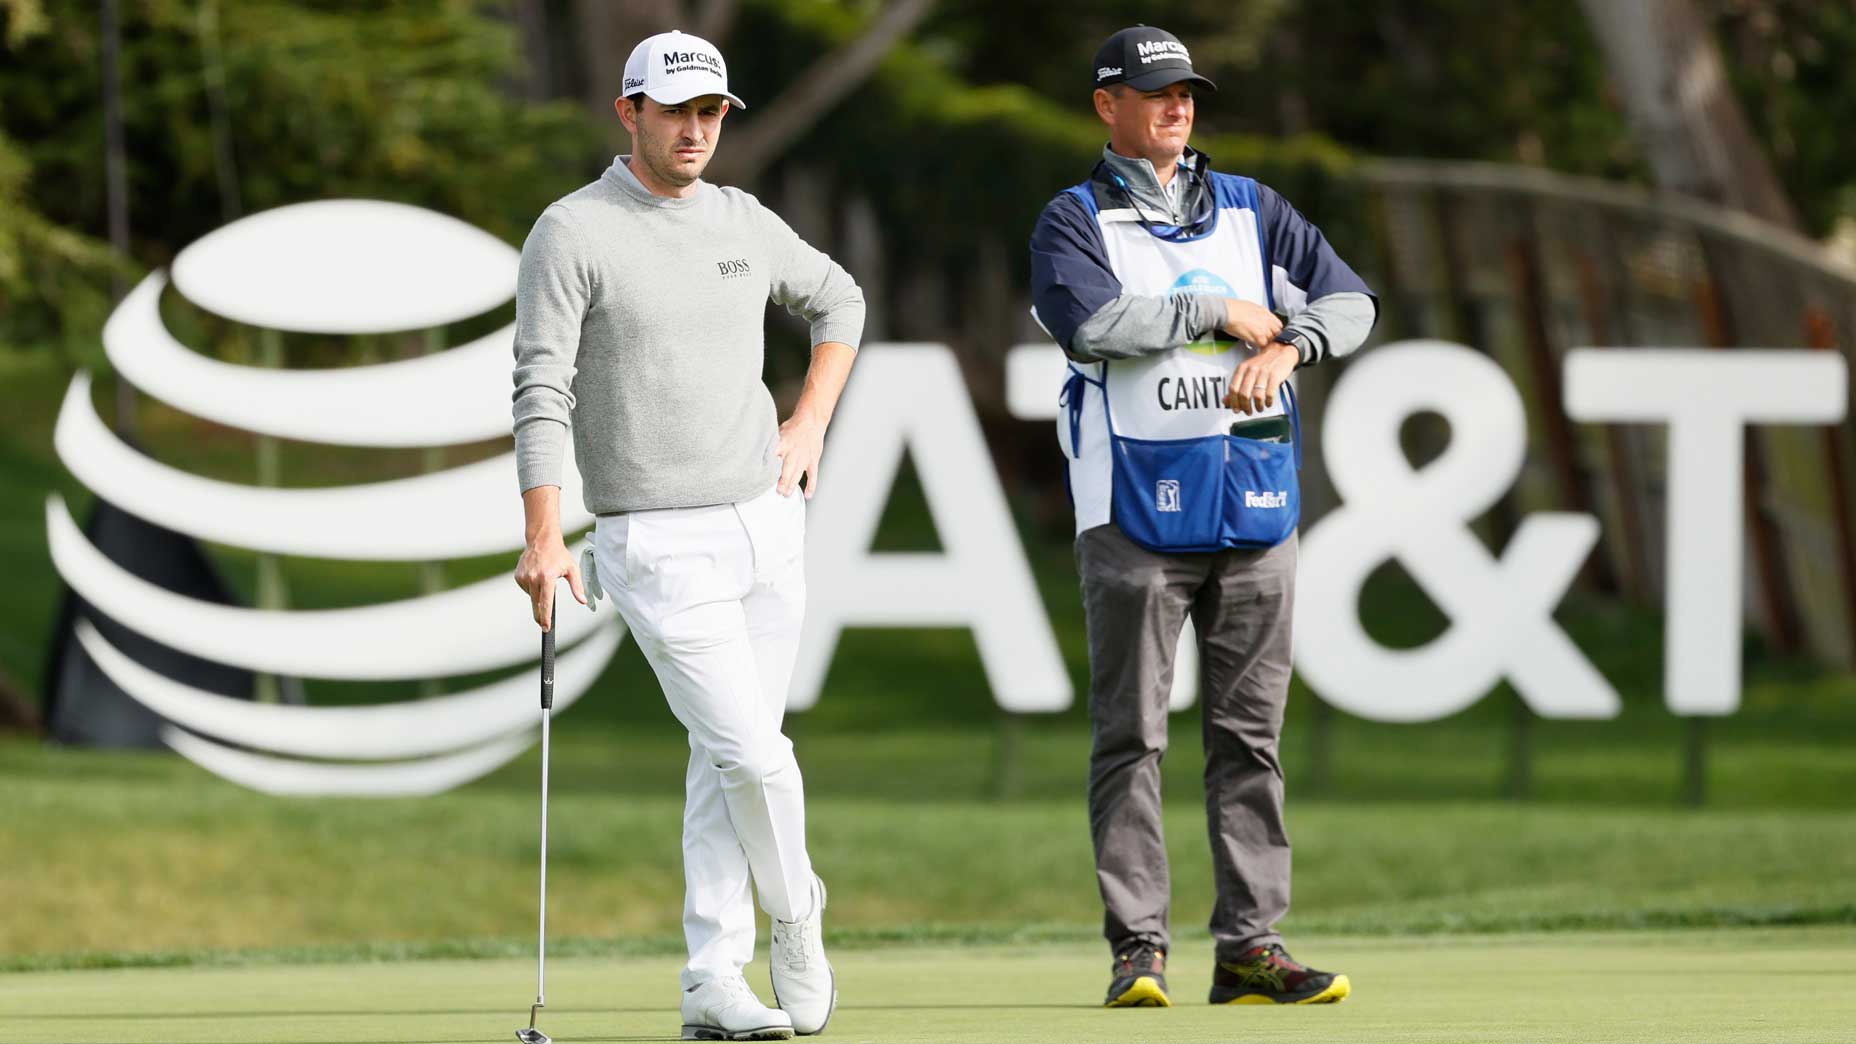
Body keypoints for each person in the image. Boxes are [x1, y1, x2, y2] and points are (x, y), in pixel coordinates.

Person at [510, 29, 863, 1041]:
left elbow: (838, 298)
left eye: (711, 112)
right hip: (654, 544)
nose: (697, 129)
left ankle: (713, 975)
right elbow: (541, 388)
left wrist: (807, 422)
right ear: (630, 113)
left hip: (766, 524)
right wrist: (544, 534)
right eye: (677, 112)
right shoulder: (571, 232)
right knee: (753, 756)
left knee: (724, 760)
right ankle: (798, 918)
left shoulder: (743, 220)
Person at [1029, 25, 1377, 1009]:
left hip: (1256, 506)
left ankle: (1249, 949)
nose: (1177, 107)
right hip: (1131, 511)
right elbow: (1088, 323)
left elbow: (1351, 299)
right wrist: (1216, 313)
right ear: (1107, 106)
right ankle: (1137, 950)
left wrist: (1293, 346)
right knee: (1130, 736)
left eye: (1186, 92)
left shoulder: (1252, 208)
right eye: (1155, 93)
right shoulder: (1071, 220)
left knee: (1249, 738)